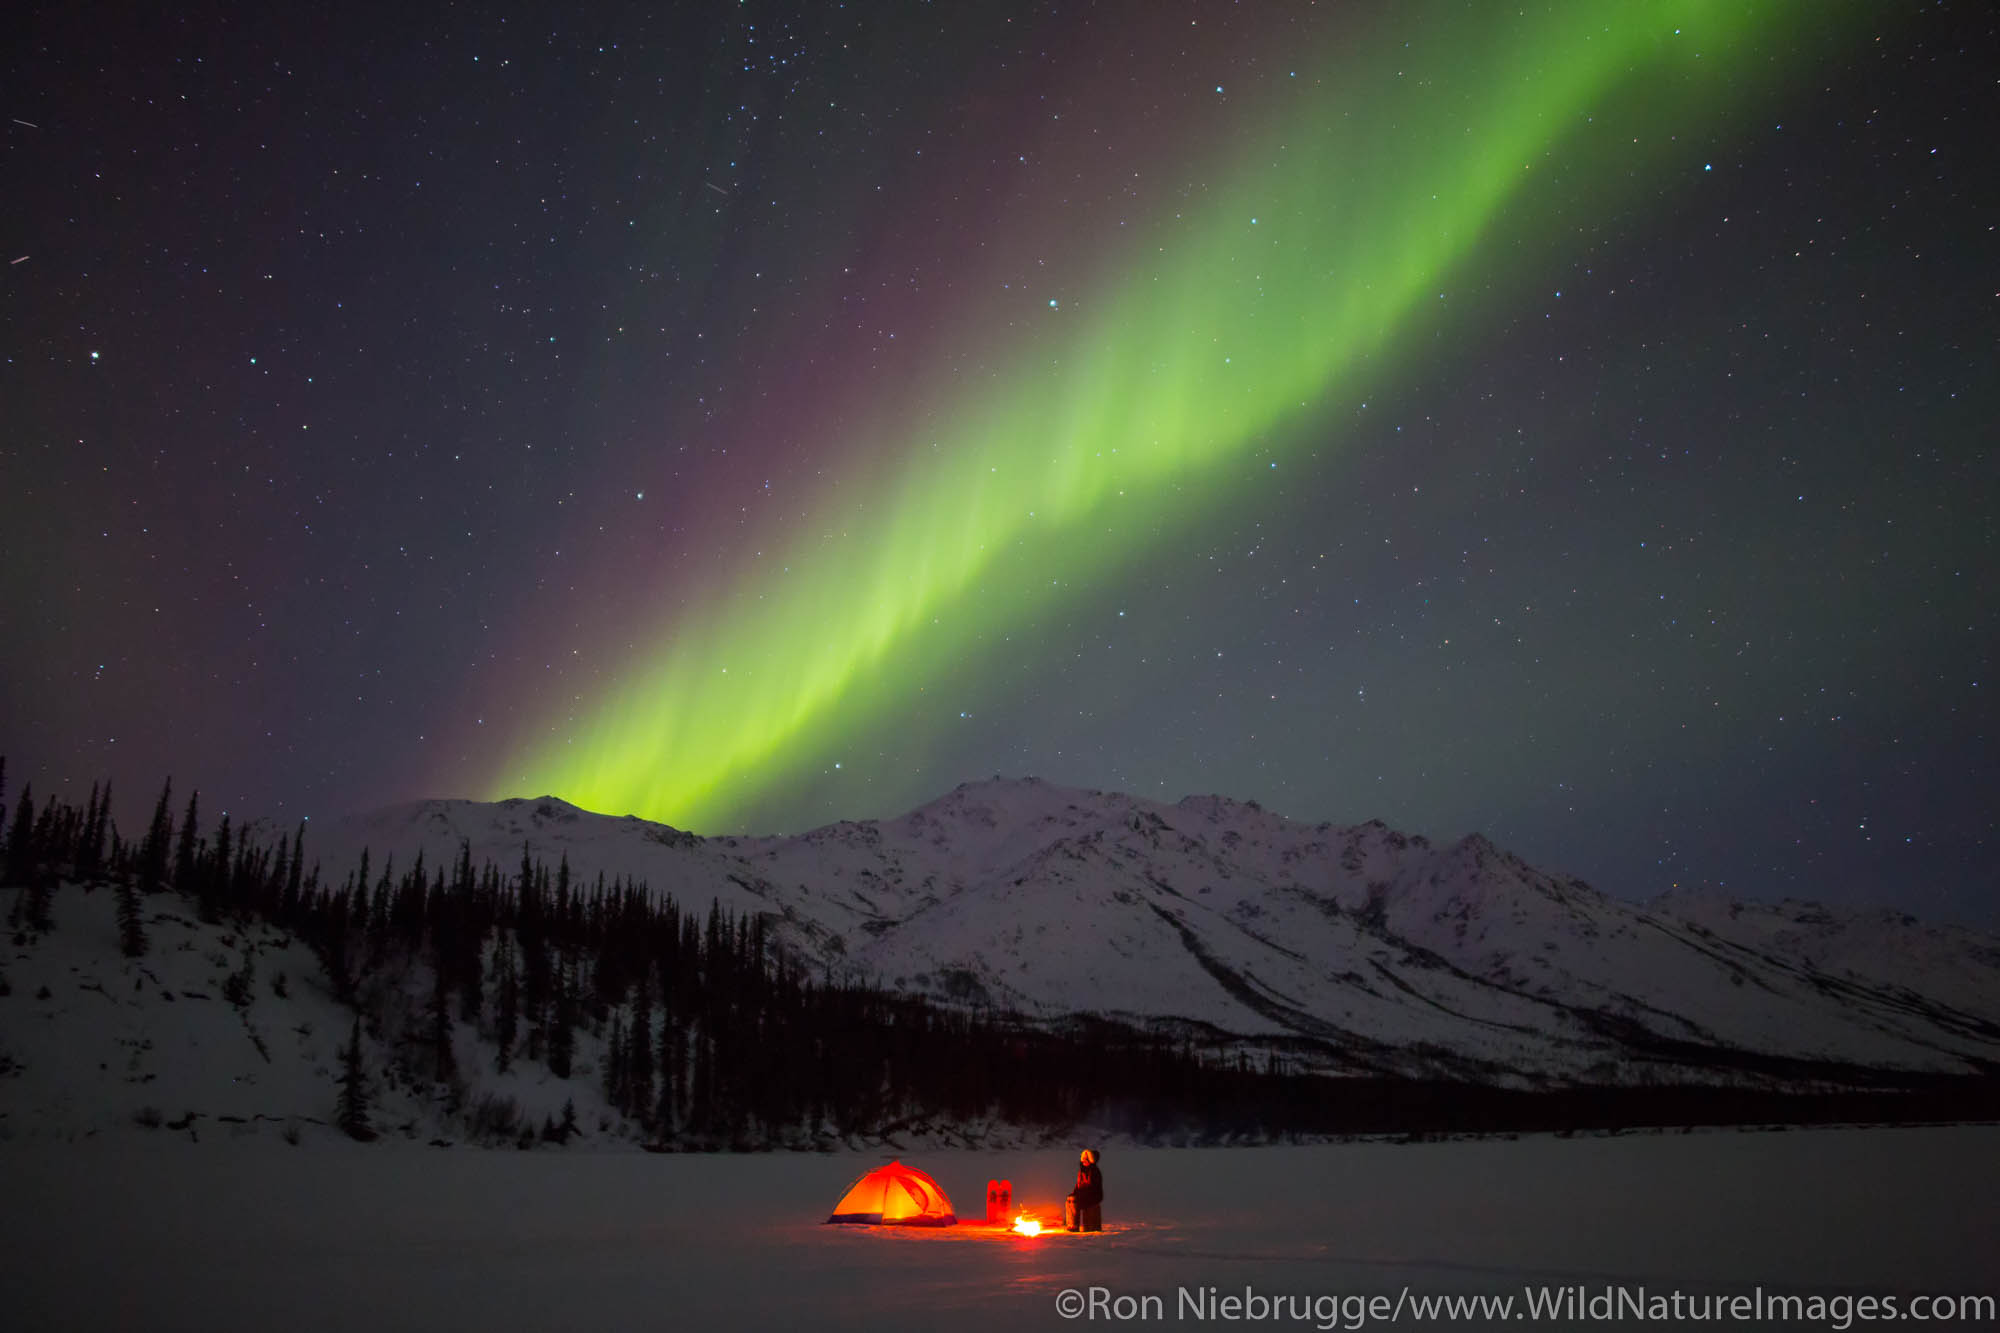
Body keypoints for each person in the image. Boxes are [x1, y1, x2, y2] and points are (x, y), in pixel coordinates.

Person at [1065, 1148, 1104, 1232]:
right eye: (1083, 1159)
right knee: (1070, 1200)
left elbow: (1093, 1187)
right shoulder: (1082, 1171)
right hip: (1083, 1194)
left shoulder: (1094, 1171)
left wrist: (1080, 1194)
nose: (1084, 1161)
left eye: (1086, 1159)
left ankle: (1074, 1226)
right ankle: (1071, 1223)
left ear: (1091, 1160)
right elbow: (1078, 1185)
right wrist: (1074, 1193)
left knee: (1075, 1201)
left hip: (1093, 1196)